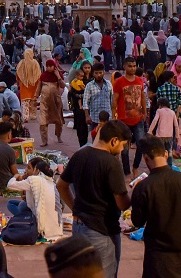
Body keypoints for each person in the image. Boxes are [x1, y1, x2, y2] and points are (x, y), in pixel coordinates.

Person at [56, 119, 132, 278]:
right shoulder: (112, 163)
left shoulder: (80, 154)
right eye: (122, 145)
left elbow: (61, 185)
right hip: (101, 231)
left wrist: (75, 207)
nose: (122, 149)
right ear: (114, 141)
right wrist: (135, 192)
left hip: (79, 228)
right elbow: (122, 203)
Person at [130, 137, 181, 278]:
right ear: (166, 154)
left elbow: (137, 222)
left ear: (146, 158)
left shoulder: (143, 187)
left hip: (159, 259)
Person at [6, 157, 62, 242]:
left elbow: (10, 185)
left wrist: (15, 176)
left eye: (29, 168)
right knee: (14, 203)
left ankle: (25, 220)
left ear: (37, 171)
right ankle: (24, 218)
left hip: (43, 222)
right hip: (56, 224)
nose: (26, 170)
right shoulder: (50, 181)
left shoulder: (34, 180)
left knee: (21, 206)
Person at [112, 58, 147, 176]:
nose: (132, 68)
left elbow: (142, 97)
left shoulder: (139, 80)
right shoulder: (119, 82)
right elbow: (115, 101)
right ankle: (126, 172)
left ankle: (135, 167)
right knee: (124, 149)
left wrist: (145, 112)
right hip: (123, 120)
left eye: (134, 66)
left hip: (138, 119)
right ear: (124, 66)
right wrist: (114, 117)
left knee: (141, 144)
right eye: (130, 66)